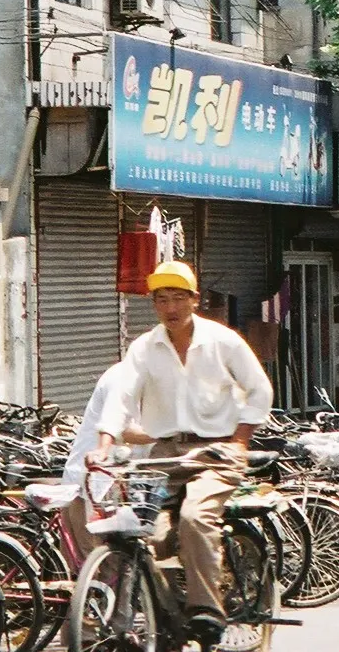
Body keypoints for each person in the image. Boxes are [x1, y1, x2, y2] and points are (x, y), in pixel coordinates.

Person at [97, 261, 273, 649]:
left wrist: (240, 439)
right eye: (163, 300)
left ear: (195, 300)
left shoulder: (222, 341)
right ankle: (166, 623)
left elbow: (259, 390)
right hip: (163, 453)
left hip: (217, 448)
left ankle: (207, 610)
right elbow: (122, 395)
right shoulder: (144, 347)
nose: (171, 307)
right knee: (147, 535)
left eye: (179, 298)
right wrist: (106, 441)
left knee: (195, 516)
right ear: (154, 305)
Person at [61, 359, 141, 553]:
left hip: (116, 483)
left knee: (123, 562)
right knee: (96, 563)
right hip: (92, 484)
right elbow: (120, 429)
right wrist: (167, 432)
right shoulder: (122, 377)